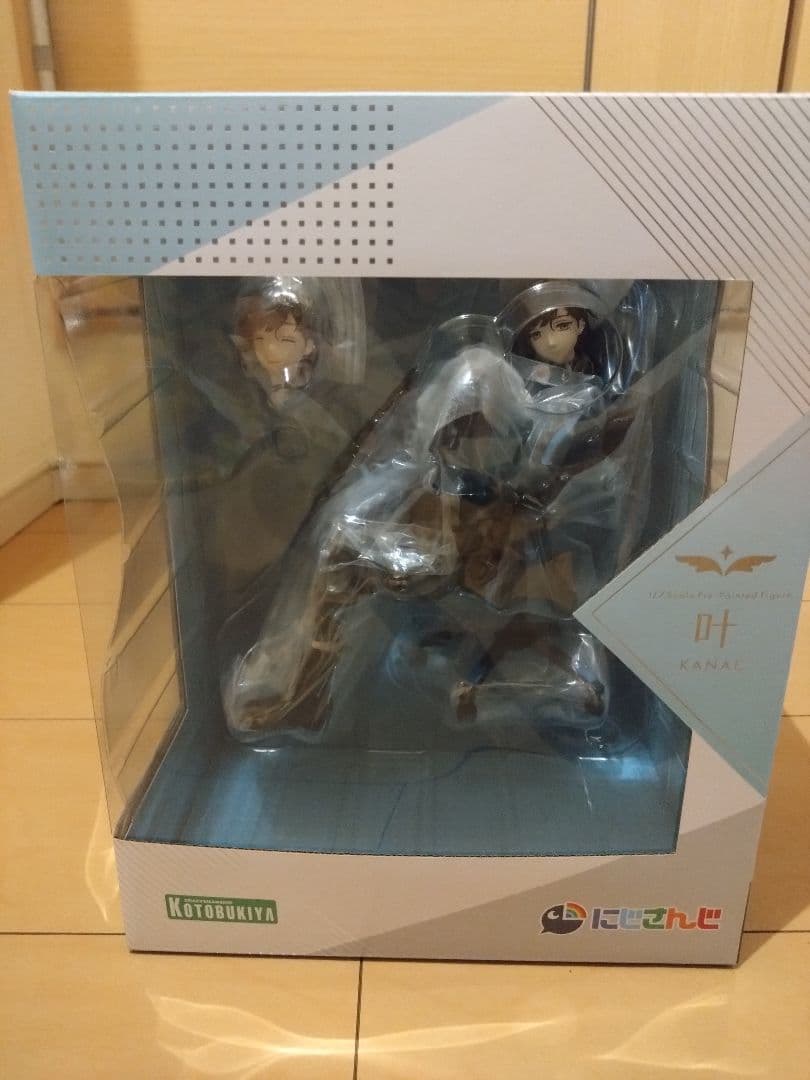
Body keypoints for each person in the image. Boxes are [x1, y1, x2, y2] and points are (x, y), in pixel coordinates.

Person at [223, 281, 651, 749]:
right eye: (538, 332)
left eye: (562, 326)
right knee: (343, 547)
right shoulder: (509, 382)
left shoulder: (578, 403)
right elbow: (450, 458)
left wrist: (501, 492)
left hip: (511, 540)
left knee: (347, 554)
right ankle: (306, 691)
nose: (549, 340)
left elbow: (561, 487)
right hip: (475, 518)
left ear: (582, 328)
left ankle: (306, 694)